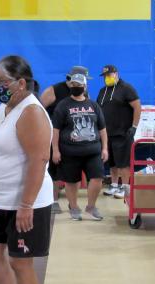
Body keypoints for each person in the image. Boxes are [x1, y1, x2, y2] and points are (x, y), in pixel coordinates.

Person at [0, 55, 53, 284]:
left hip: (24, 203)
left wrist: (26, 205)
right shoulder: (3, 109)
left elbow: (39, 160)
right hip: (0, 201)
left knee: (20, 263)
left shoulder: (31, 112)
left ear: (21, 83)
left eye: (2, 80)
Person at [52, 73, 108, 221]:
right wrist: (56, 150)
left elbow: (102, 129)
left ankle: (91, 206)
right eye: (73, 85)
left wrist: (105, 148)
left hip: (93, 151)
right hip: (70, 152)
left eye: (78, 85)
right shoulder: (63, 105)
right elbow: (55, 130)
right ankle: (74, 207)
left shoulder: (93, 105)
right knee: (71, 181)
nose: (75, 87)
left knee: (97, 178)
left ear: (85, 87)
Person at [40, 66, 92, 213]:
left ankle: (73, 205)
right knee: (53, 171)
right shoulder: (53, 90)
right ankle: (53, 201)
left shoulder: (84, 91)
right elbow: (38, 110)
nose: (83, 84)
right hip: (53, 136)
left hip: (74, 139)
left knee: (72, 172)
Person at [96, 65, 141, 199]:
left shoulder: (126, 88)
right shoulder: (103, 91)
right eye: (105, 76)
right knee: (112, 163)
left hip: (123, 133)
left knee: (123, 163)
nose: (107, 78)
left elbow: (137, 107)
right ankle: (114, 185)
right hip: (107, 134)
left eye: (109, 75)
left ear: (116, 74)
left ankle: (125, 187)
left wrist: (134, 126)